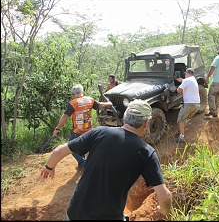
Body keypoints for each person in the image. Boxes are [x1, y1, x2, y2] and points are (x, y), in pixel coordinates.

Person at [42, 99, 172, 220]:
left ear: (124, 117)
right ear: (146, 123)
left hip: (76, 213)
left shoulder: (98, 133)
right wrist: (165, 211)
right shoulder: (146, 152)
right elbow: (164, 197)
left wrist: (49, 167)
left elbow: (58, 151)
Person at [52, 84, 113, 171]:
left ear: (74, 93)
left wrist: (57, 129)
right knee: (86, 147)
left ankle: (83, 163)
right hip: (89, 130)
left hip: (78, 131)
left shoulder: (73, 103)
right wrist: (108, 103)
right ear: (82, 91)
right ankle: (84, 163)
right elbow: (100, 105)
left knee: (71, 147)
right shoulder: (90, 100)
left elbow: (65, 117)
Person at [174, 68, 200, 143]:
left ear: (188, 73)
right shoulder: (193, 79)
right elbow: (182, 80)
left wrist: (175, 89)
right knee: (184, 119)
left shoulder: (188, 80)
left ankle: (181, 137)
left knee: (181, 119)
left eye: (185, 73)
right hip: (196, 104)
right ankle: (180, 133)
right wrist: (176, 78)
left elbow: (179, 90)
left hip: (189, 104)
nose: (185, 75)